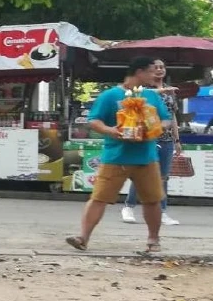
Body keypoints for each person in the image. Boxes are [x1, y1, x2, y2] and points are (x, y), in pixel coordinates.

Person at [66, 57, 171, 254]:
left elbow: (165, 120)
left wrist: (154, 128)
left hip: (146, 157)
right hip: (115, 156)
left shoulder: (152, 95)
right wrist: (112, 131)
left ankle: (153, 240)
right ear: (139, 72)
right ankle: (83, 238)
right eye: (151, 71)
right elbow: (94, 120)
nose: (155, 74)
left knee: (152, 200)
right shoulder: (110, 95)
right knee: (99, 198)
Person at [122, 59, 182, 226]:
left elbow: (172, 116)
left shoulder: (170, 93)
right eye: (155, 67)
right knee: (142, 174)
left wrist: (177, 139)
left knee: (163, 177)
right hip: (147, 138)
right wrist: (163, 90)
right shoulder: (145, 89)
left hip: (167, 139)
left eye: (162, 67)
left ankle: (162, 212)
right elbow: (136, 98)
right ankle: (129, 206)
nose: (159, 70)